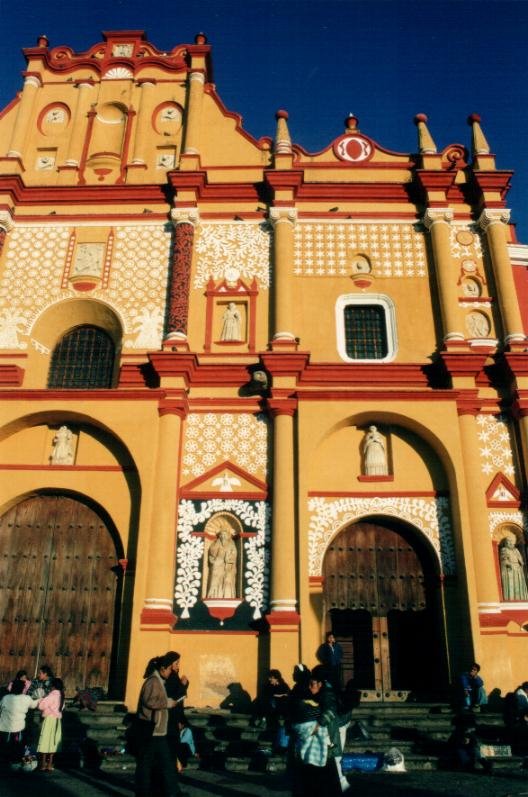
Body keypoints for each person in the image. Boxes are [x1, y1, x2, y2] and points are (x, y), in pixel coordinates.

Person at [134, 653, 186, 797]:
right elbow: (149, 701)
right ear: (163, 668)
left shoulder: (159, 681)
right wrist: (167, 703)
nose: (171, 672)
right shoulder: (153, 681)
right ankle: (144, 792)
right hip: (151, 729)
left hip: (158, 731)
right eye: (170, 668)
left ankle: (173, 792)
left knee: (167, 764)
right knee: (146, 765)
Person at [0, 678, 39, 767]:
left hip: (4, 728)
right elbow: (34, 705)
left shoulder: (6, 698)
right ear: (22, 688)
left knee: (4, 747)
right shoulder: (26, 698)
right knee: (17, 748)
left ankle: (4, 763)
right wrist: (40, 698)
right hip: (18, 729)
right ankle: (15, 764)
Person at [36, 677, 64, 772]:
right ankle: (50, 764)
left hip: (49, 719)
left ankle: (43, 764)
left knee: (45, 740)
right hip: (57, 720)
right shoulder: (61, 696)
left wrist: (41, 699)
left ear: (53, 686)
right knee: (53, 741)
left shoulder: (51, 696)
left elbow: (41, 706)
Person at [206, 527, 238, 599]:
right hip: (217, 564)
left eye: (224, 534)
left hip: (227, 566)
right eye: (221, 535)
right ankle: (213, 595)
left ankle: (227, 595)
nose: (223, 536)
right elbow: (212, 553)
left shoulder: (231, 544)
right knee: (214, 579)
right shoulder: (216, 544)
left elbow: (234, 555)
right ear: (219, 536)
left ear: (227, 535)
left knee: (227, 580)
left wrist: (228, 559)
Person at [500, 535, 528, 601]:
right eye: (508, 541)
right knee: (511, 584)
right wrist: (509, 564)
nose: (510, 543)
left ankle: (521, 598)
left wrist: (521, 563)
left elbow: (520, 559)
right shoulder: (504, 549)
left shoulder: (516, 550)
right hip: (510, 569)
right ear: (506, 543)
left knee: (519, 584)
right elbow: (503, 559)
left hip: (518, 569)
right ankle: (511, 598)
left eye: (511, 541)